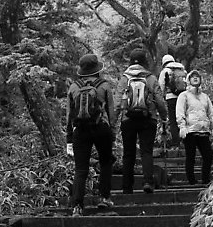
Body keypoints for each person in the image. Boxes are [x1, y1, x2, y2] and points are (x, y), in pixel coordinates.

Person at [65, 54, 116, 216]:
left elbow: (69, 115)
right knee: (106, 162)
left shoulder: (73, 87)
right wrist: (112, 131)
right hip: (101, 128)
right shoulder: (104, 86)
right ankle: (104, 197)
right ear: (97, 69)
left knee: (80, 169)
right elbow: (111, 112)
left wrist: (69, 139)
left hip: (80, 131)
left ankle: (77, 206)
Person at [115, 48, 168, 194]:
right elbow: (159, 100)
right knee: (146, 151)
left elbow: (117, 102)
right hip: (148, 118)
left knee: (128, 153)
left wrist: (113, 124)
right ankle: (148, 183)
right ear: (145, 61)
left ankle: (127, 187)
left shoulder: (124, 78)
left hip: (128, 119)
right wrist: (164, 117)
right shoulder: (150, 78)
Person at [175, 70, 213, 185]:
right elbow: (180, 112)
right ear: (189, 80)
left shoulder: (205, 97)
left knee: (208, 155)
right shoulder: (183, 96)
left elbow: (210, 113)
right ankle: (192, 180)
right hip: (190, 130)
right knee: (191, 156)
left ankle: (205, 179)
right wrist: (182, 126)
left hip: (203, 130)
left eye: (197, 77)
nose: (195, 78)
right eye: (192, 77)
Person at [158, 54, 187, 147]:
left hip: (171, 98)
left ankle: (176, 143)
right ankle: (186, 141)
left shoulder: (165, 71)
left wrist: (161, 98)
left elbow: (161, 86)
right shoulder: (183, 70)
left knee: (173, 120)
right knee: (183, 118)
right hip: (183, 97)